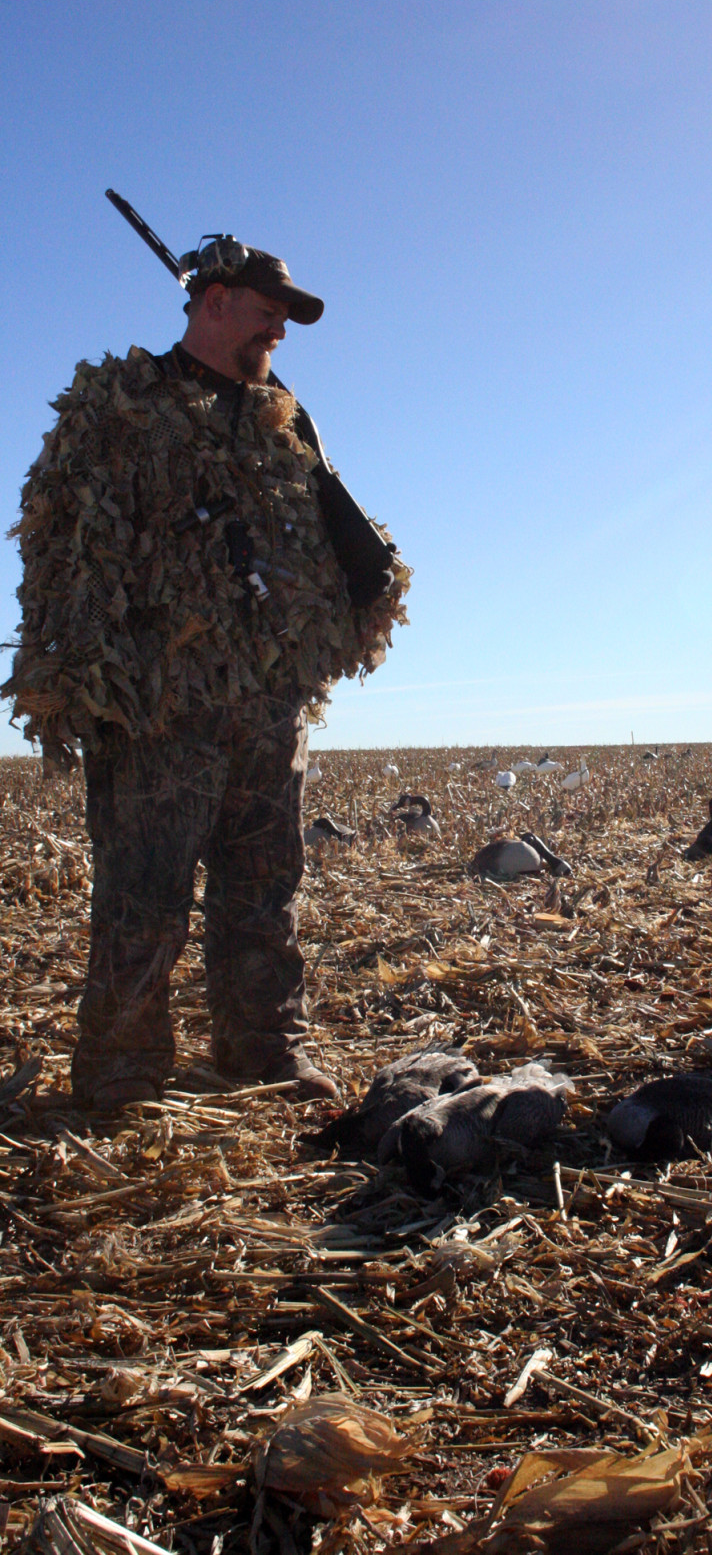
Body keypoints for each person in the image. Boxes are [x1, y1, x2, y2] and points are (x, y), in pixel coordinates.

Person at [4, 242, 409, 1111]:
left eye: (287, 318)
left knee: (266, 886)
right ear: (213, 300)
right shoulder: (122, 403)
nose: (279, 331)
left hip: (270, 700)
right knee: (143, 894)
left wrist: (359, 602)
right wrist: (70, 674)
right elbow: (65, 539)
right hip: (157, 701)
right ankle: (122, 1072)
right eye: (269, 311)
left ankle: (264, 1050)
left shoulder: (283, 416)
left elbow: (329, 533)